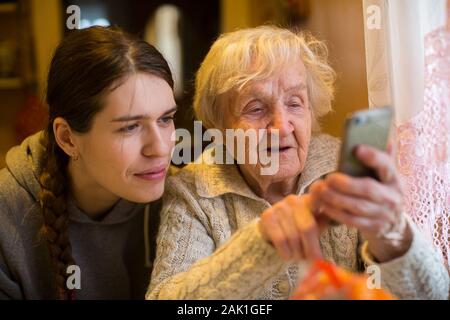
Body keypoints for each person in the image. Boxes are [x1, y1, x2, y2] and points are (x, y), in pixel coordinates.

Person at [147, 26, 449, 300]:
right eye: (255, 108)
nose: (282, 126)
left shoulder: (345, 171)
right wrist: (258, 246)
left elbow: (434, 295)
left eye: (294, 103)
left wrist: (392, 237)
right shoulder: (193, 190)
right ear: (219, 128)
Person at [0, 26, 177, 299]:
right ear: (68, 138)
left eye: (165, 119)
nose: (161, 148)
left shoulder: (187, 198)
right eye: (130, 127)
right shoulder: (6, 216)